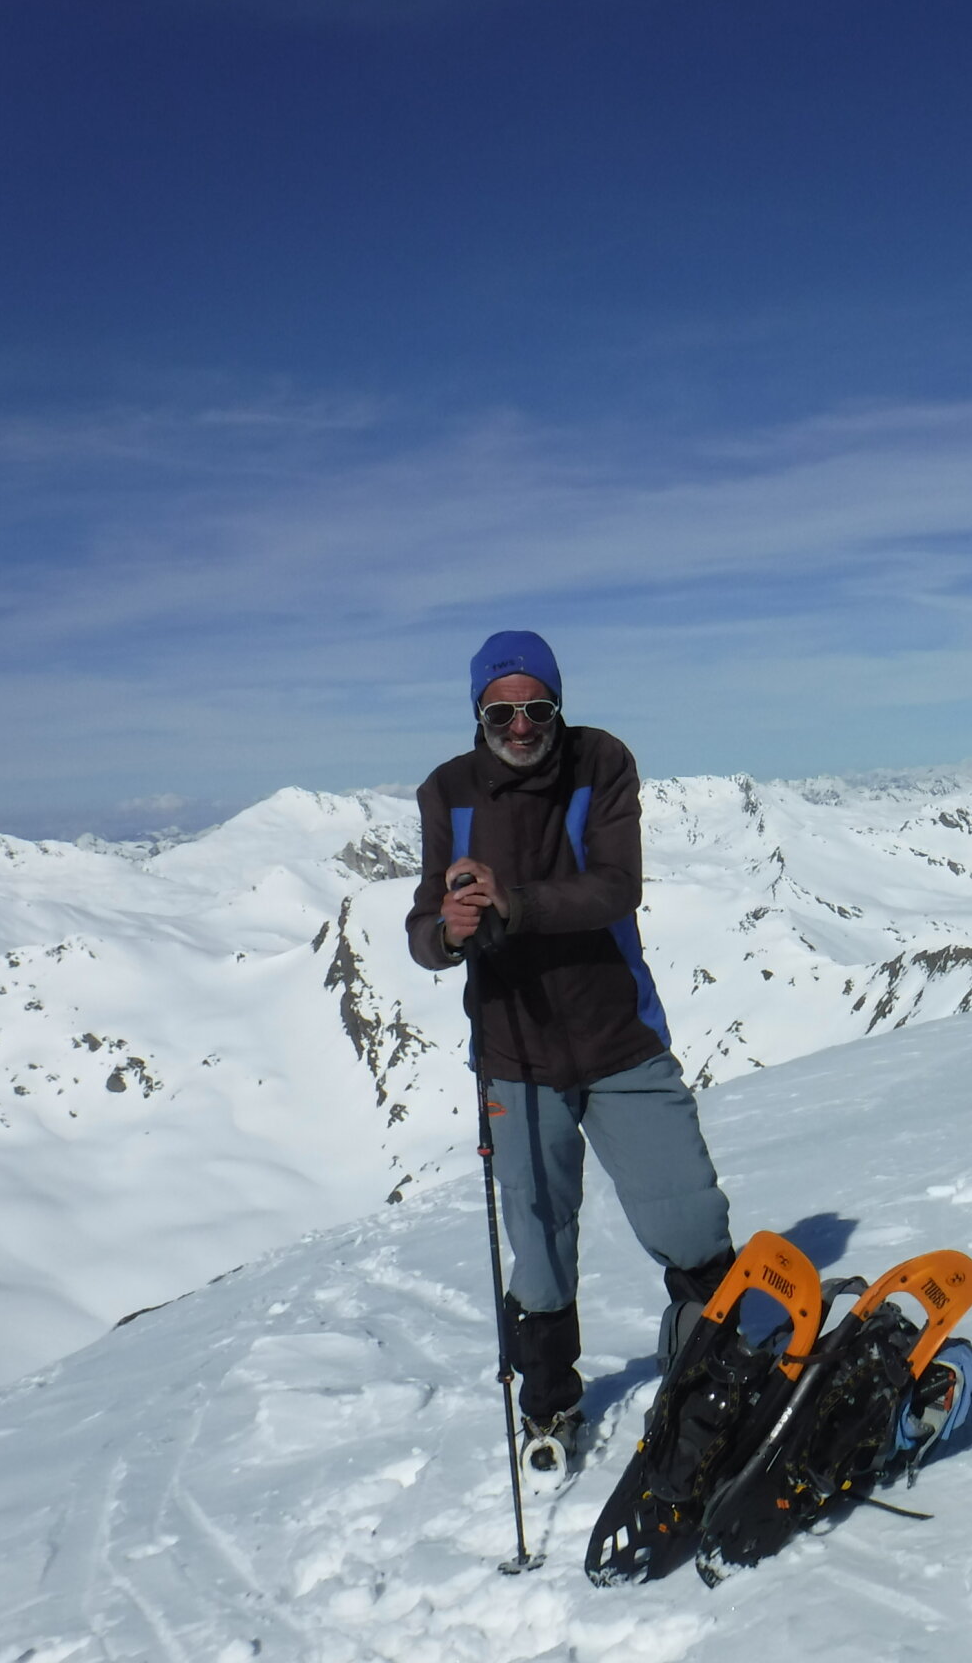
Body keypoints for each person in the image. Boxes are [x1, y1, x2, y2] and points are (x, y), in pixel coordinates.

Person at [406, 629, 735, 1472]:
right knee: (540, 1241)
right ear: (479, 713)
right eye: (502, 712)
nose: (521, 726)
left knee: (688, 1214)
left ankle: (713, 1363)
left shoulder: (600, 762)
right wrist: (449, 930)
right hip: (514, 1053)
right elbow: (423, 927)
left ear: (558, 706)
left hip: (618, 1035)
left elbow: (616, 887)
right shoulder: (448, 791)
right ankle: (549, 1402)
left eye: (537, 707)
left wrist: (511, 904)